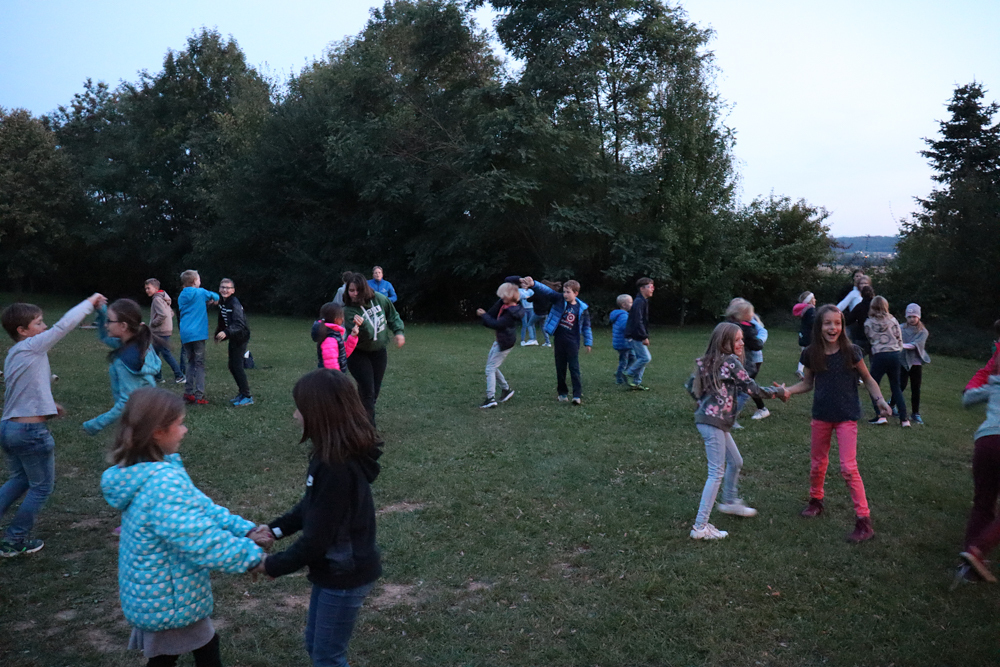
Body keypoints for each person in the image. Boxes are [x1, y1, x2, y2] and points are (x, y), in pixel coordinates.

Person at [101, 387, 271, 667]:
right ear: (158, 432)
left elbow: (201, 507)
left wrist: (244, 529)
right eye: (180, 424)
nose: (185, 430)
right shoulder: (161, 483)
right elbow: (199, 538)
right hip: (169, 598)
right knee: (183, 654)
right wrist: (254, 560)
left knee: (189, 650)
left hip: (161, 591)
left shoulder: (153, 470)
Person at [251, 370, 382, 667]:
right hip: (333, 570)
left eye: (300, 408)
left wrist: (271, 564)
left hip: (344, 574)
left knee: (327, 657)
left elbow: (316, 539)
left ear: (318, 414)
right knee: (316, 645)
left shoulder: (337, 467)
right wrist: (274, 529)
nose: (295, 415)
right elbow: (313, 506)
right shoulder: (329, 456)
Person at [0, 293, 106, 556]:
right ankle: (14, 539)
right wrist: (89, 303)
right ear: (22, 330)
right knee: (41, 487)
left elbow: (23, 387)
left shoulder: (14, 353)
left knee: (20, 479)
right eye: (38, 323)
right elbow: (63, 326)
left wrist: (48, 404)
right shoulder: (32, 346)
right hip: (29, 433)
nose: (44, 326)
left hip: (9, 428)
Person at [783, 304, 890, 543]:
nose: (833, 328)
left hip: (846, 417)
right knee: (817, 464)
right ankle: (816, 501)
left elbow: (868, 378)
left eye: (837, 323)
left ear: (842, 326)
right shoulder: (811, 353)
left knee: (848, 468)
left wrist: (880, 400)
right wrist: (788, 390)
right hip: (821, 415)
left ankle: (863, 521)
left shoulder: (852, 352)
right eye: (827, 323)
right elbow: (807, 383)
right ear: (819, 326)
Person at [685, 322, 786, 540]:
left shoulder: (709, 360)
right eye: (737, 340)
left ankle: (730, 501)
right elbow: (752, 388)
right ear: (724, 342)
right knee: (716, 473)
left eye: (742, 339)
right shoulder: (730, 361)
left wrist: (705, 402)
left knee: (736, 461)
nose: (742, 343)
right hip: (714, 422)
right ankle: (700, 527)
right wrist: (779, 391)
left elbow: (690, 385)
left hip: (709, 420)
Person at [83, 299, 162, 434]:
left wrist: (95, 424)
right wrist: (102, 312)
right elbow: (105, 337)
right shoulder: (140, 345)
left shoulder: (125, 359)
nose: (106, 324)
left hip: (139, 422)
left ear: (123, 326)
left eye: (109, 321)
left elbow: (127, 404)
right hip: (149, 415)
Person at [342, 272, 405, 426]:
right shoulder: (349, 311)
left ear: (365, 289)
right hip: (358, 353)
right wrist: (362, 324)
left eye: (358, 290)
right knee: (367, 392)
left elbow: (393, 316)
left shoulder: (380, 299)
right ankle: (368, 430)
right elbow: (369, 334)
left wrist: (398, 332)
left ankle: (357, 417)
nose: (354, 294)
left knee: (374, 391)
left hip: (378, 352)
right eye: (351, 290)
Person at [523, 276, 593, 405]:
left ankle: (577, 395)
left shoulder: (582, 308)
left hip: (573, 342)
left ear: (576, 293)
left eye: (568, 292)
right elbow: (547, 291)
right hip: (559, 340)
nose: (565, 294)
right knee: (560, 368)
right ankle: (562, 394)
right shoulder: (559, 300)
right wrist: (534, 284)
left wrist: (588, 342)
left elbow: (586, 327)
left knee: (574, 368)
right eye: (564, 291)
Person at [958, 373, 1000, 583]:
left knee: (983, 504)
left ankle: (969, 568)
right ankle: (978, 550)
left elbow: (967, 399)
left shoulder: (995, 385)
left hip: (986, 443)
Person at [476, 282, 524, 408]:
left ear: (510, 296)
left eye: (503, 295)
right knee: (492, 366)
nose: (501, 298)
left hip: (505, 342)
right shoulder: (507, 306)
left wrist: (484, 315)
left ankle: (490, 398)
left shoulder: (511, 312)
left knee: (490, 368)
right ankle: (506, 389)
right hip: (502, 340)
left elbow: (496, 324)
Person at [864, 296, 909, 427]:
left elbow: (869, 338)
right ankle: (904, 419)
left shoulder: (869, 322)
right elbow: (899, 338)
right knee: (895, 386)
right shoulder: (893, 320)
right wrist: (897, 349)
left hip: (879, 355)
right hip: (894, 354)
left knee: (873, 384)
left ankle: (880, 415)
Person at [177, 270, 219, 405]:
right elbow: (216, 296)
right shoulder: (200, 292)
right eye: (199, 279)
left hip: (185, 333)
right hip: (198, 334)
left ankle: (188, 392)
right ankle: (199, 395)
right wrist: (212, 301)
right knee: (199, 364)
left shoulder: (182, 295)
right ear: (195, 281)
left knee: (190, 362)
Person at [725, 298, 768, 421]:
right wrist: (759, 341)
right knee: (744, 391)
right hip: (745, 364)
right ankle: (730, 417)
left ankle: (726, 414)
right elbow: (756, 345)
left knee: (735, 389)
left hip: (732, 363)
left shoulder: (729, 325)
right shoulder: (747, 329)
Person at [214, 278, 253, 407]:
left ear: (233, 290)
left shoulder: (234, 304)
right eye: (222, 287)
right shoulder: (223, 302)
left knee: (237, 366)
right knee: (232, 366)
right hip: (234, 336)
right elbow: (222, 319)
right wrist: (219, 333)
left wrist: (226, 332)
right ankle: (242, 393)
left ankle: (247, 396)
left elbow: (239, 324)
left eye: (228, 288)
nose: (225, 290)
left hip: (241, 337)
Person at [145, 279, 184, 384]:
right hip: (163, 330)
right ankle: (157, 377)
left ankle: (180, 376)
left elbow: (162, 315)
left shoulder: (157, 300)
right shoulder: (164, 298)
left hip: (160, 331)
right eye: (146, 288)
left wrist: (153, 323)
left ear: (156, 288)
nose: (147, 290)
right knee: (155, 354)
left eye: (148, 288)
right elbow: (171, 313)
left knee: (166, 353)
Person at [897, 303, 930, 425]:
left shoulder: (923, 332)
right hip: (902, 361)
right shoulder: (900, 328)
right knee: (901, 385)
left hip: (916, 363)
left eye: (914, 316)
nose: (912, 319)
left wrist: (901, 345)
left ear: (919, 317)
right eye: (909, 316)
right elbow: (895, 337)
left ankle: (915, 413)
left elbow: (915, 345)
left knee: (915, 388)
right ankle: (891, 405)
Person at [623, 277, 654, 390]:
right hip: (635, 335)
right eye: (650, 287)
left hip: (637, 335)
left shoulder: (642, 301)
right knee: (645, 358)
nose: (652, 289)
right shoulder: (639, 302)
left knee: (641, 358)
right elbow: (638, 321)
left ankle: (636, 383)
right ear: (642, 288)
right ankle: (629, 373)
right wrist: (644, 336)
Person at [312, 302, 360, 372]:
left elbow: (343, 353)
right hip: (332, 377)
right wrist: (338, 377)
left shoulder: (334, 334)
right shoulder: (330, 339)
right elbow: (331, 366)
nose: (343, 319)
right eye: (342, 316)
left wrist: (353, 336)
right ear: (336, 319)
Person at [609, 294, 634, 385]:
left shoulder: (622, 315)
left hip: (623, 342)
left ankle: (624, 372)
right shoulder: (623, 316)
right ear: (624, 305)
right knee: (624, 361)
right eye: (630, 302)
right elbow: (625, 328)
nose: (632, 304)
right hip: (623, 343)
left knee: (632, 357)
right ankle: (619, 378)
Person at [844, 282, 874, 357]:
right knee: (874, 360)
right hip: (875, 336)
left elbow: (849, 320)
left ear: (861, 295)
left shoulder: (859, 307)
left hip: (862, 336)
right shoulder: (876, 307)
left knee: (857, 357)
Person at [793, 291, 817, 379]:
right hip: (810, 335)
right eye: (813, 298)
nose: (815, 300)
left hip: (803, 334)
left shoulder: (804, 310)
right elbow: (812, 322)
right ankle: (811, 371)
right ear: (809, 300)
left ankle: (800, 369)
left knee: (805, 353)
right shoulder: (811, 310)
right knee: (812, 353)